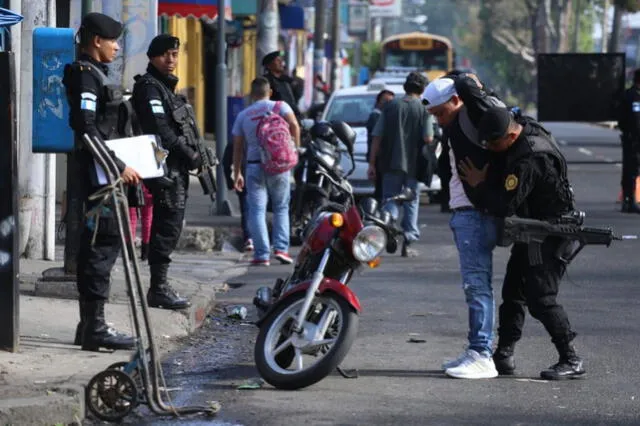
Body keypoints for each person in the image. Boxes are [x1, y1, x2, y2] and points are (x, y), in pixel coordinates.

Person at [459, 106, 585, 381]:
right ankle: (504, 354)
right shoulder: (523, 128)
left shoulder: (529, 160)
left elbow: (504, 204)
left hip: (552, 233)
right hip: (533, 229)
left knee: (541, 298)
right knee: (513, 291)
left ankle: (571, 358)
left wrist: (480, 185)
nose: (492, 149)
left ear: (510, 136)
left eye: (494, 143)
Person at [62, 12, 140, 351]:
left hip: (103, 176)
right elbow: (86, 129)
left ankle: (88, 327)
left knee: (100, 249)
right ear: (97, 41)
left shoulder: (94, 74)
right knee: (99, 249)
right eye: (113, 41)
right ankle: (95, 328)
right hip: (99, 180)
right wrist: (117, 166)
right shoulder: (85, 76)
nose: (117, 47)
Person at [422, 73, 506, 379]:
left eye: (441, 113)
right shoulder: (460, 125)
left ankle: (482, 354)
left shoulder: (472, 120)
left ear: (457, 101)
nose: (440, 121)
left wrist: (485, 182)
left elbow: (502, 152)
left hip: (474, 213)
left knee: (477, 286)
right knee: (475, 285)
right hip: (466, 211)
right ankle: (476, 349)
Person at [130, 34, 198, 311]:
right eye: (165, 55)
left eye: (174, 54)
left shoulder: (165, 88)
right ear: (152, 56)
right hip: (163, 165)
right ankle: (158, 288)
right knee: (166, 226)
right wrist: (187, 152)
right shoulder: (149, 87)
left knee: (171, 225)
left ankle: (161, 285)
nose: (170, 60)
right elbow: (160, 130)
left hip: (173, 165)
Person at [232, 77, 300, 266]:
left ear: (252, 94)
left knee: (257, 210)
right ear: (269, 91)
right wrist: (294, 151)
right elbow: (294, 126)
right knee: (281, 207)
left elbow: (238, 147)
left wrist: (237, 172)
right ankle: (281, 249)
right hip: (279, 165)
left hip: (254, 165)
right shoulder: (281, 107)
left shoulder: (244, 115)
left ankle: (262, 255)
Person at [368, 72, 433, 257]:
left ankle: (389, 225)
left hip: (389, 163)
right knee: (411, 201)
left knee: (390, 198)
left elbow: (377, 137)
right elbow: (428, 137)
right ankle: (409, 239)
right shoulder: (424, 109)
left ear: (406, 87)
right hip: (413, 165)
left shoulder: (389, 106)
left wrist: (372, 164)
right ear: (422, 89)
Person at [222, 139, 253, 252]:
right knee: (259, 210)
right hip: (260, 176)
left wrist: (230, 183)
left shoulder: (234, 140)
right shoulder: (261, 135)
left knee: (246, 210)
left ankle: (249, 238)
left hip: (242, 177)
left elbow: (225, 163)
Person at [617, 69, 640, 213]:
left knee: (633, 171)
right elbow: (629, 120)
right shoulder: (631, 96)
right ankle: (628, 200)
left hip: (634, 138)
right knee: (631, 171)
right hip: (633, 139)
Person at [366, 89, 395, 202]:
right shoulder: (375, 117)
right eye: (385, 101)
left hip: (385, 159)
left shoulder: (386, 116)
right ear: (378, 102)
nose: (388, 104)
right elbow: (376, 139)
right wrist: (372, 162)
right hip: (379, 158)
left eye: (390, 102)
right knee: (380, 190)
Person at [262, 50, 301, 120]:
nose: (281, 63)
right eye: (277, 60)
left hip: (292, 117)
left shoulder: (287, 80)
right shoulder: (266, 81)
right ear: (269, 65)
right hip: (276, 120)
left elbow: (296, 99)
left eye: (281, 60)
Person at [128, 183, 153, 260]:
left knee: (131, 219)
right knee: (147, 218)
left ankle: (130, 253)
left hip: (131, 184)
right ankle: (145, 252)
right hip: (148, 186)